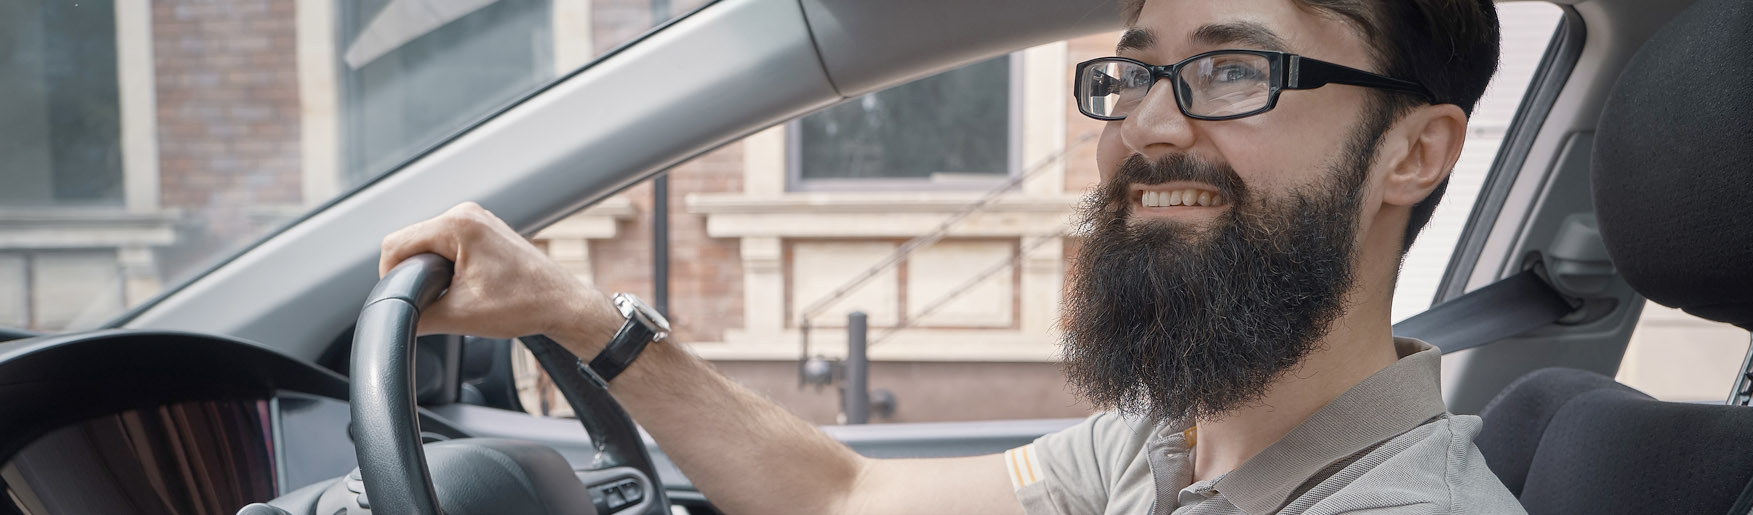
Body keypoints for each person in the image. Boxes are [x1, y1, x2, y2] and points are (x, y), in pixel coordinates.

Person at [378, 0, 1523, 513]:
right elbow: (846, 491)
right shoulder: (1160, 445)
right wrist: (581, 317)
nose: (1148, 126)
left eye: (1234, 71)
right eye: (1132, 75)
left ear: (1411, 152)